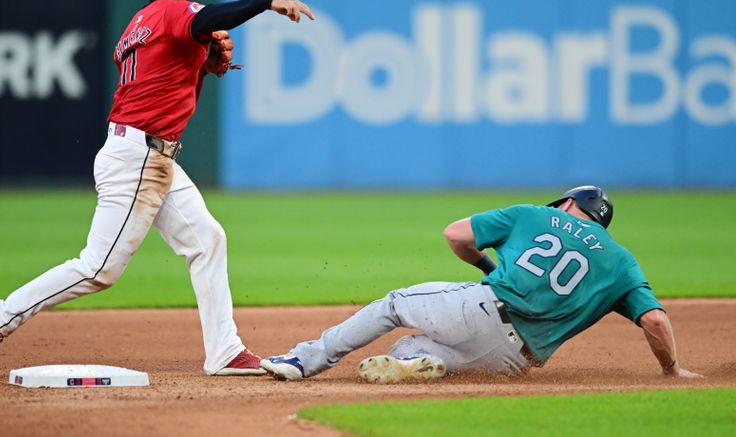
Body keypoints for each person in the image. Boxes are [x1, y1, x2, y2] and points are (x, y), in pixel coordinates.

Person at [0, 0, 315, 378]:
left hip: (151, 153)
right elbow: (211, 17)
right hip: (138, 159)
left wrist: (205, 66)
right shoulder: (173, 12)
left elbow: (171, 87)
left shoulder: (142, 21)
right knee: (99, 268)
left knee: (208, 240)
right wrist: (269, 0)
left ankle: (225, 351)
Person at [261, 186, 703, 383]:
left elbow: (456, 234)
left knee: (394, 305)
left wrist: (489, 268)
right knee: (406, 352)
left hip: (486, 307)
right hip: (515, 360)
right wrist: (671, 370)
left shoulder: (537, 213)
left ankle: (304, 360)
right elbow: (655, 321)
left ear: (568, 204)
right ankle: (420, 363)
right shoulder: (622, 263)